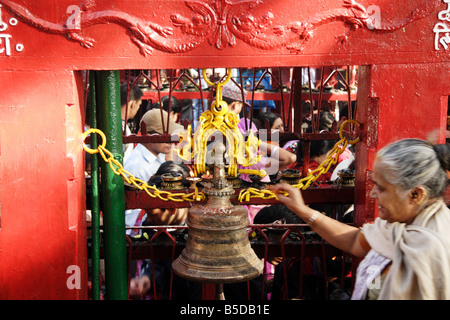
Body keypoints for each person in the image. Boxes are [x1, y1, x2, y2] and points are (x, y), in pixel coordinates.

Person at [273, 138, 450, 300]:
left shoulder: (430, 248)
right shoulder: (399, 228)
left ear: (415, 194)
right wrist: (302, 210)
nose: (373, 194)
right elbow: (355, 241)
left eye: (381, 188)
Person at [129, 161, 201, 300]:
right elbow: (159, 263)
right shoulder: (152, 226)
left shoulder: (200, 226)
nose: (148, 220)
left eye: (153, 215)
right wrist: (148, 279)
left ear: (172, 209)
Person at [123, 109, 184, 234]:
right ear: (150, 137)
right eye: (165, 136)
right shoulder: (136, 166)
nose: (170, 141)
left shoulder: (158, 155)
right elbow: (131, 217)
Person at [120, 84, 143, 162]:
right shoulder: (121, 128)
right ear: (133, 103)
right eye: (139, 105)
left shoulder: (122, 125)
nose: (138, 108)